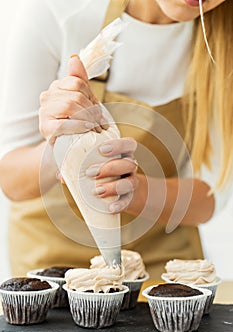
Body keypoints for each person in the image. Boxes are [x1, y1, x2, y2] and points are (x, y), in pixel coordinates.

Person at [0, 0, 232, 279]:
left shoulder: (223, 42)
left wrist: (131, 191)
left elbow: (209, 196)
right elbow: (11, 178)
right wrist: (62, 145)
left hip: (163, 264)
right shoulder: (61, 10)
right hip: (53, 261)